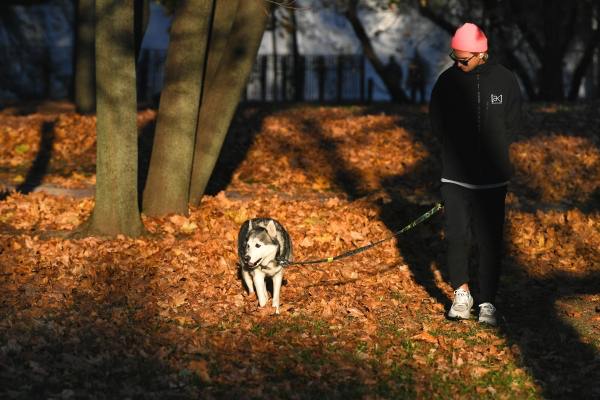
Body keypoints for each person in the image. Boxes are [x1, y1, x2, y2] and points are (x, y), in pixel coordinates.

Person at [429, 22, 521, 326]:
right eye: (454, 58)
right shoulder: (446, 83)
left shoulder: (505, 80)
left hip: (493, 179)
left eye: (463, 59)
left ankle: (487, 302)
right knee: (456, 236)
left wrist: (494, 152)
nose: (458, 64)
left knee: (489, 240)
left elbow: (512, 122)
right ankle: (462, 294)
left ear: (481, 54)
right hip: (455, 176)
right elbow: (437, 123)